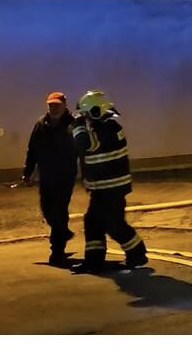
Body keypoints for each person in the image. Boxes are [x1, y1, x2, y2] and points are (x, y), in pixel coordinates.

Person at [71, 90, 147, 272]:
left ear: (96, 111)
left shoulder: (109, 129)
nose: (84, 117)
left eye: (85, 113)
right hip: (102, 187)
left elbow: (85, 144)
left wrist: (77, 125)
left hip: (112, 188)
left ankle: (137, 252)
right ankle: (94, 261)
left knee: (114, 224)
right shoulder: (106, 127)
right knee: (92, 221)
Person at [21, 92, 79, 265]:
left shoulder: (73, 124)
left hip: (65, 175)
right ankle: (63, 233)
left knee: (60, 210)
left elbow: (82, 148)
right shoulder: (41, 124)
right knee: (47, 210)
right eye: (50, 105)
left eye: (56, 105)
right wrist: (28, 171)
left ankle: (57, 251)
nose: (53, 108)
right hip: (46, 175)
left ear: (64, 105)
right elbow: (32, 149)